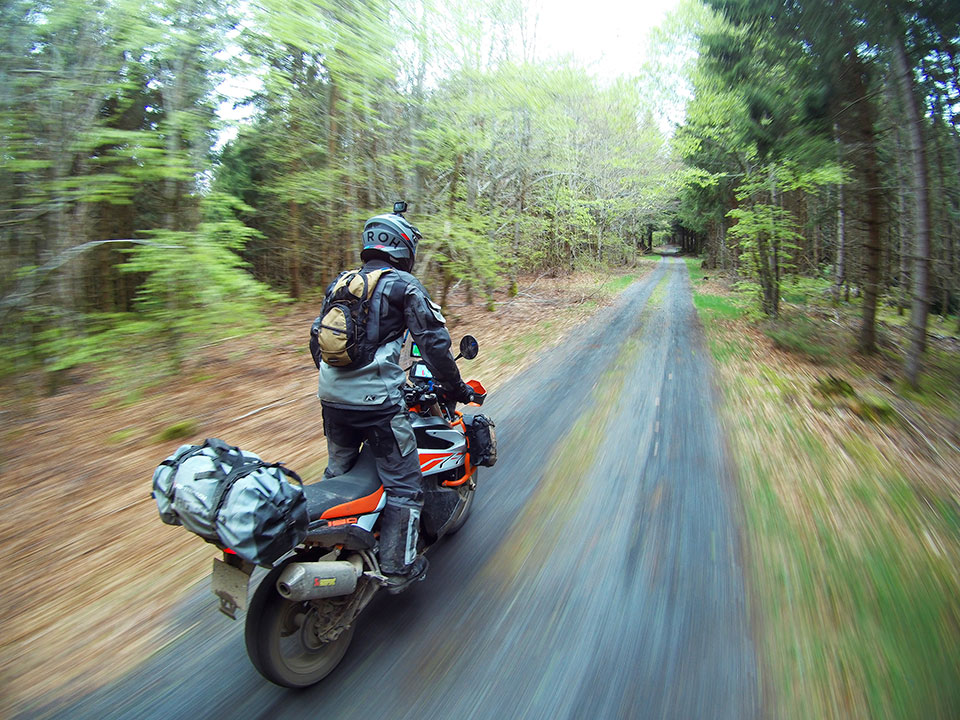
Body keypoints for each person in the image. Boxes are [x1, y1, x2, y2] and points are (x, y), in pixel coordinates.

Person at [315, 205, 475, 592]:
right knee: (405, 484)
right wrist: (456, 389)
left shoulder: (340, 283)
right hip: (378, 406)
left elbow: (317, 342)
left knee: (340, 472)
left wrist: (341, 382)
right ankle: (398, 566)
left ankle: (331, 541)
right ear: (403, 246)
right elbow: (435, 346)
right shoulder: (403, 286)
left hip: (331, 399)